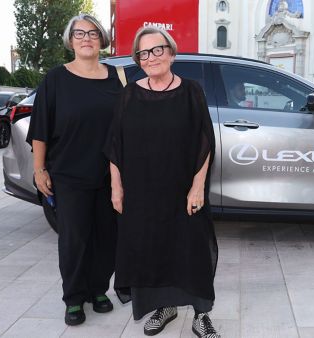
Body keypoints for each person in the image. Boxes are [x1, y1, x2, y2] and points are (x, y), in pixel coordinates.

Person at [104, 26, 221, 338]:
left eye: (157, 50)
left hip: (182, 190)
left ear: (171, 53)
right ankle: (164, 307)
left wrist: (197, 187)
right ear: (138, 59)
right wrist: (116, 187)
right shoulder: (129, 94)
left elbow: (205, 141)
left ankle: (201, 315)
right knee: (151, 250)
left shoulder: (192, 91)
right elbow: (115, 143)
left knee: (192, 249)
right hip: (142, 193)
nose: (151, 57)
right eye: (143, 53)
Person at [26, 14, 122, 326]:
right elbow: (40, 128)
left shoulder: (117, 78)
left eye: (93, 33)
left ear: (102, 40)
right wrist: (39, 169)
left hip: (110, 174)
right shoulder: (55, 79)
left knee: (106, 238)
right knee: (74, 239)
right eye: (79, 33)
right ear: (70, 40)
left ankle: (98, 290)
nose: (86, 38)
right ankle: (74, 298)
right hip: (68, 173)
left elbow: (129, 126)